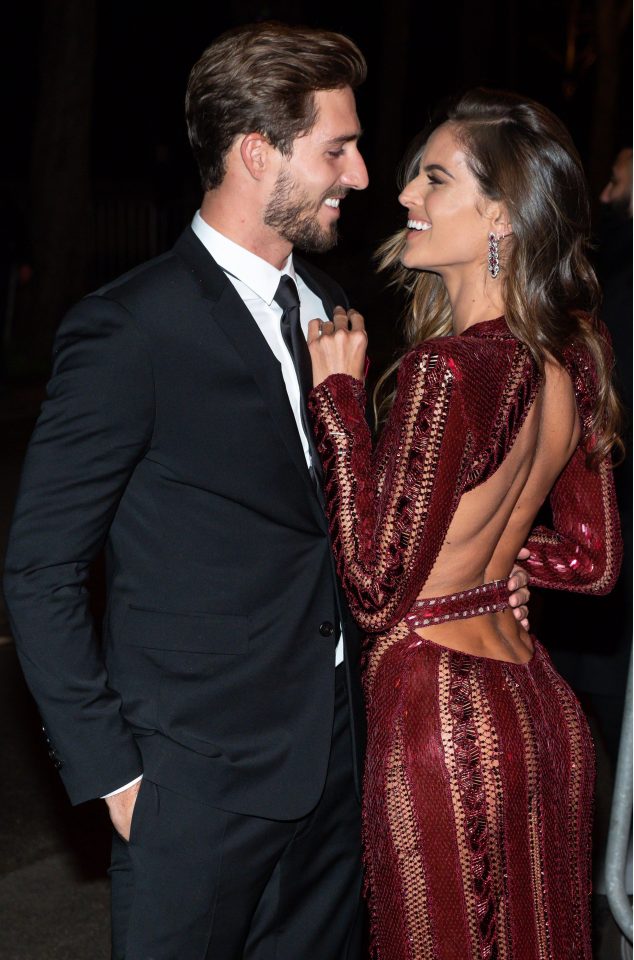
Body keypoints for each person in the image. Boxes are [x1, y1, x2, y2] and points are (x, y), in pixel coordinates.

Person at [2, 24, 529, 959]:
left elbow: (363, 529)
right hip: (193, 787)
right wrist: (119, 781)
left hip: (338, 769)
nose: (362, 175)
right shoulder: (131, 330)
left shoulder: (335, 312)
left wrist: (480, 576)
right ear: (257, 153)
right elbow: (40, 568)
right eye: (337, 148)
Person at [307, 89, 623, 960]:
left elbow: (374, 587)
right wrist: (498, 563)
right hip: (542, 709)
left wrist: (336, 401)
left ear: (500, 214)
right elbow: (594, 561)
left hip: (442, 708)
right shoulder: (571, 358)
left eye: (433, 179)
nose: (405, 194)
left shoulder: (448, 369)